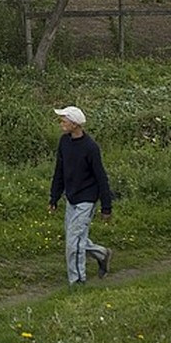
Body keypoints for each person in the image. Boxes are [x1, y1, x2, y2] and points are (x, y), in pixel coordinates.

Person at [49, 105, 112, 285]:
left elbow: (101, 177)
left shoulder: (90, 147)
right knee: (75, 238)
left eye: (64, 120)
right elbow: (59, 171)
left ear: (75, 124)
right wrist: (54, 197)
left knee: (73, 243)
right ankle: (102, 254)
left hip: (87, 199)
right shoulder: (64, 142)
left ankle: (77, 282)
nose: (61, 123)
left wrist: (106, 206)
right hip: (71, 198)